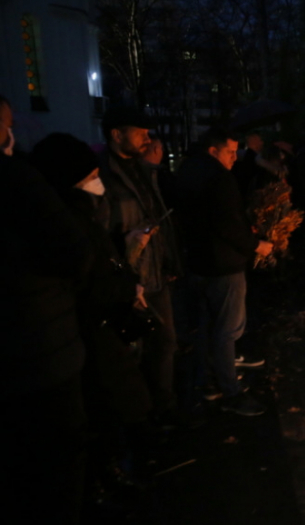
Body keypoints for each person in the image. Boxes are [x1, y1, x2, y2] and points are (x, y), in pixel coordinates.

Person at [30, 134, 154, 512]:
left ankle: (107, 472)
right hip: (88, 333)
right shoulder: (68, 221)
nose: (97, 180)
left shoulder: (76, 215)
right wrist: (125, 286)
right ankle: (102, 480)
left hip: (88, 332)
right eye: (90, 175)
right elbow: (91, 278)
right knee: (104, 410)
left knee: (104, 411)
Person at [2, 96, 93, 524]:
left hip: (30, 346)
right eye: (5, 123)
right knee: (55, 465)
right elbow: (74, 255)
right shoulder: (18, 180)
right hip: (40, 347)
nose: (11, 130)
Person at [175, 128, 274, 416]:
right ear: (213, 151)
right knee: (227, 331)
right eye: (230, 152)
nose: (235, 157)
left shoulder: (187, 171)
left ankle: (208, 383)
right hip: (223, 265)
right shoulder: (219, 177)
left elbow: (212, 218)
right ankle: (231, 392)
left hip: (198, 263)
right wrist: (256, 244)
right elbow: (226, 223)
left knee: (206, 328)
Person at [98, 107, 182, 421]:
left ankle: (162, 410)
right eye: (140, 132)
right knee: (134, 350)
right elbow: (97, 233)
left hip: (155, 272)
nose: (147, 138)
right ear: (116, 134)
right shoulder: (102, 176)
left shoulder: (144, 170)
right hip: (130, 277)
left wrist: (169, 260)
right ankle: (139, 418)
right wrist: (124, 249)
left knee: (165, 343)